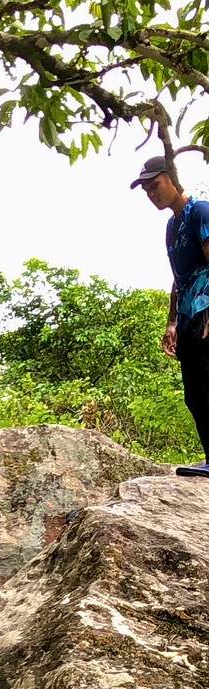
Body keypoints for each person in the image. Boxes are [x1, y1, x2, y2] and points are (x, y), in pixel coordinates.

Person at [131, 155, 209, 475]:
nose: (152, 193)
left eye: (155, 185)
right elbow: (179, 278)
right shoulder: (171, 226)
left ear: (172, 178)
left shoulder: (200, 212)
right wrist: (172, 323)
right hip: (189, 318)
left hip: (206, 312)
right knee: (195, 394)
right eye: (146, 189)